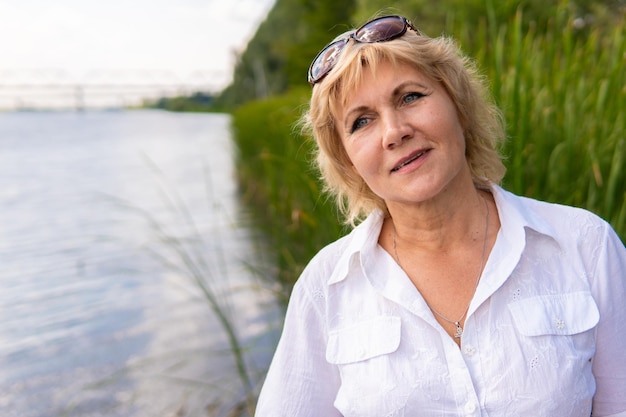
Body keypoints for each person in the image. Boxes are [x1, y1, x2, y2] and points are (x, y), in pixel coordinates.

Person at [254, 14, 626, 417]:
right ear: (347, 160)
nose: (394, 131)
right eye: (362, 121)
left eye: (410, 97)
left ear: (458, 104)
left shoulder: (586, 245)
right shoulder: (325, 288)